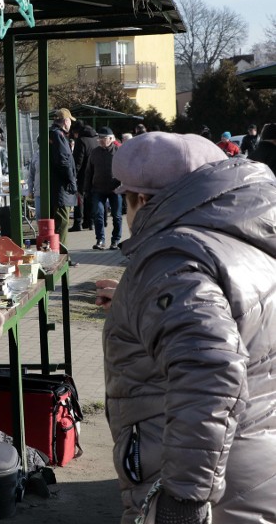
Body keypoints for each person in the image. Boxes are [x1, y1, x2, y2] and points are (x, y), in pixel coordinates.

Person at [98, 131, 276, 524]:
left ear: (142, 200)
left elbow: (209, 369)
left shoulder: (172, 259)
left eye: (124, 200)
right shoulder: (237, 237)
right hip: (253, 462)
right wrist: (136, 305)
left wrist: (184, 499)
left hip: (208, 485)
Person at [84, 127, 122, 250]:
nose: (100, 140)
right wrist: (86, 189)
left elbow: (125, 169)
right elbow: (89, 172)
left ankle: (115, 240)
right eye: (99, 138)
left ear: (111, 139)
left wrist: (123, 184)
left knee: (116, 216)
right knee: (98, 214)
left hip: (115, 189)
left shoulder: (119, 151)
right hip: (98, 189)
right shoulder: (95, 152)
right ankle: (100, 240)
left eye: (103, 138)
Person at [48, 108, 78, 247]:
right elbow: (64, 161)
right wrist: (71, 181)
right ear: (66, 121)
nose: (71, 124)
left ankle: (59, 253)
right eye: (70, 121)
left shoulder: (54, 134)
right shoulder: (58, 135)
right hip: (61, 187)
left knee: (59, 222)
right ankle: (62, 255)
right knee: (62, 222)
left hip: (57, 186)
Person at [70, 121, 99, 232]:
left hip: (83, 174)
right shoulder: (95, 139)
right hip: (95, 172)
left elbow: (78, 160)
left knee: (79, 198)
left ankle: (78, 223)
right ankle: (90, 222)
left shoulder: (81, 140)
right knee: (90, 198)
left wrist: (74, 174)